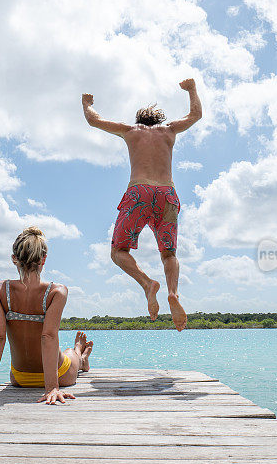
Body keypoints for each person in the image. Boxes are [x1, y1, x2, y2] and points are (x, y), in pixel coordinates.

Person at [82, 78, 202, 331]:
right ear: (158, 120)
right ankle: (173, 293)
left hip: (139, 192)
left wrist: (87, 104)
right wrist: (191, 89)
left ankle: (148, 284)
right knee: (169, 254)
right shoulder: (169, 130)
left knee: (118, 251)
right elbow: (195, 115)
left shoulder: (130, 131)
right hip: (167, 194)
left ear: (138, 120)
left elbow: (93, 120)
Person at [0, 226, 94, 405]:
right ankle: (80, 354)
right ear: (44, 259)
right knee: (70, 353)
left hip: (20, 378)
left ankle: (81, 355)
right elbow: (48, 336)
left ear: (14, 259)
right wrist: (52, 388)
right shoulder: (56, 292)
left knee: (66, 353)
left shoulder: (0, 291)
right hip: (60, 375)